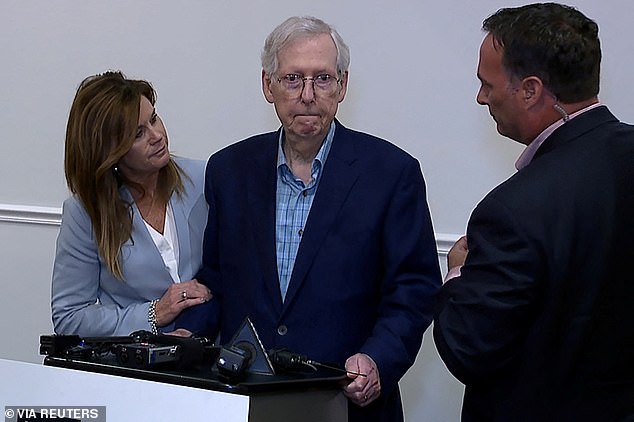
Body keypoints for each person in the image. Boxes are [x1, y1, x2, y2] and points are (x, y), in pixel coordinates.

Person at [183, 16, 441, 422]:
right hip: (248, 400)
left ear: (343, 84)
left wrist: (377, 359)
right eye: (292, 79)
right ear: (268, 85)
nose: (307, 95)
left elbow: (414, 289)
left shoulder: (392, 174)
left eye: (322, 79)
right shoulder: (229, 170)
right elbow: (217, 281)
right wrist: (187, 335)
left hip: (346, 403)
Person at [433, 3, 634, 421]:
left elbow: (468, 350)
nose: (481, 97)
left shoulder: (511, 210)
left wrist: (457, 274)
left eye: (487, 84)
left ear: (530, 89)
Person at [51, 71, 212, 337]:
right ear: (109, 151)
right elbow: (70, 316)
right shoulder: (85, 213)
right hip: (138, 368)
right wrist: (154, 313)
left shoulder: (205, 178)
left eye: (154, 119)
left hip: (210, 358)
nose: (157, 135)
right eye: (138, 134)